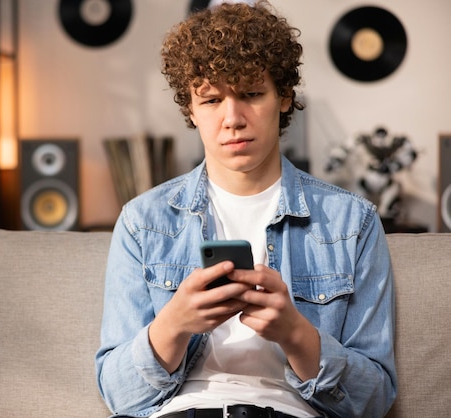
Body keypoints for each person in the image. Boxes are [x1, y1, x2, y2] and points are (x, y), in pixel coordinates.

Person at [95, 2, 397, 417]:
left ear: (284, 97)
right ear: (191, 111)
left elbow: (374, 399)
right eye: (211, 100)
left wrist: (295, 334)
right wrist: (174, 323)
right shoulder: (141, 221)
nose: (232, 118)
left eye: (252, 94)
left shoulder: (353, 222)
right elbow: (120, 395)